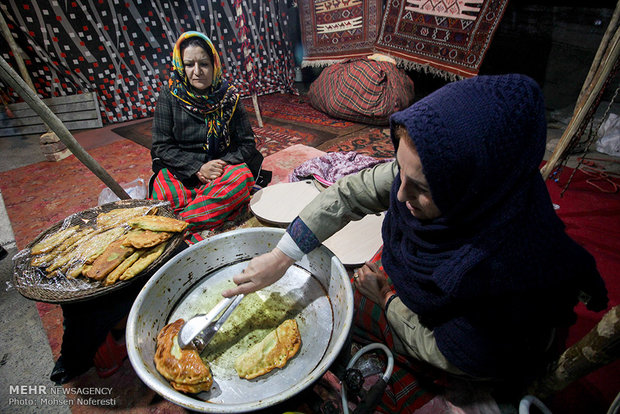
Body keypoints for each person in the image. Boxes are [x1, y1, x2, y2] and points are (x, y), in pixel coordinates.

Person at [222, 74, 608, 408]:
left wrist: (387, 299)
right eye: (399, 171)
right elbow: (349, 194)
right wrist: (281, 256)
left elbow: (456, 354)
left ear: (471, 189)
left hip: (481, 349)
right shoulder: (445, 178)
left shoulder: (505, 270)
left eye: (420, 187)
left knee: (346, 314)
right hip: (432, 297)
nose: (401, 196)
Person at [150, 31, 263, 244]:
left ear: (214, 65)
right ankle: (209, 210)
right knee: (163, 193)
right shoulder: (169, 95)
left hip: (222, 169)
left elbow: (247, 144)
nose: (197, 71)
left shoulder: (229, 97)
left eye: (203, 64)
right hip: (181, 168)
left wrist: (220, 165)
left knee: (240, 179)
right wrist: (198, 168)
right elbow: (161, 146)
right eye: (189, 64)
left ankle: (178, 224)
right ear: (180, 66)